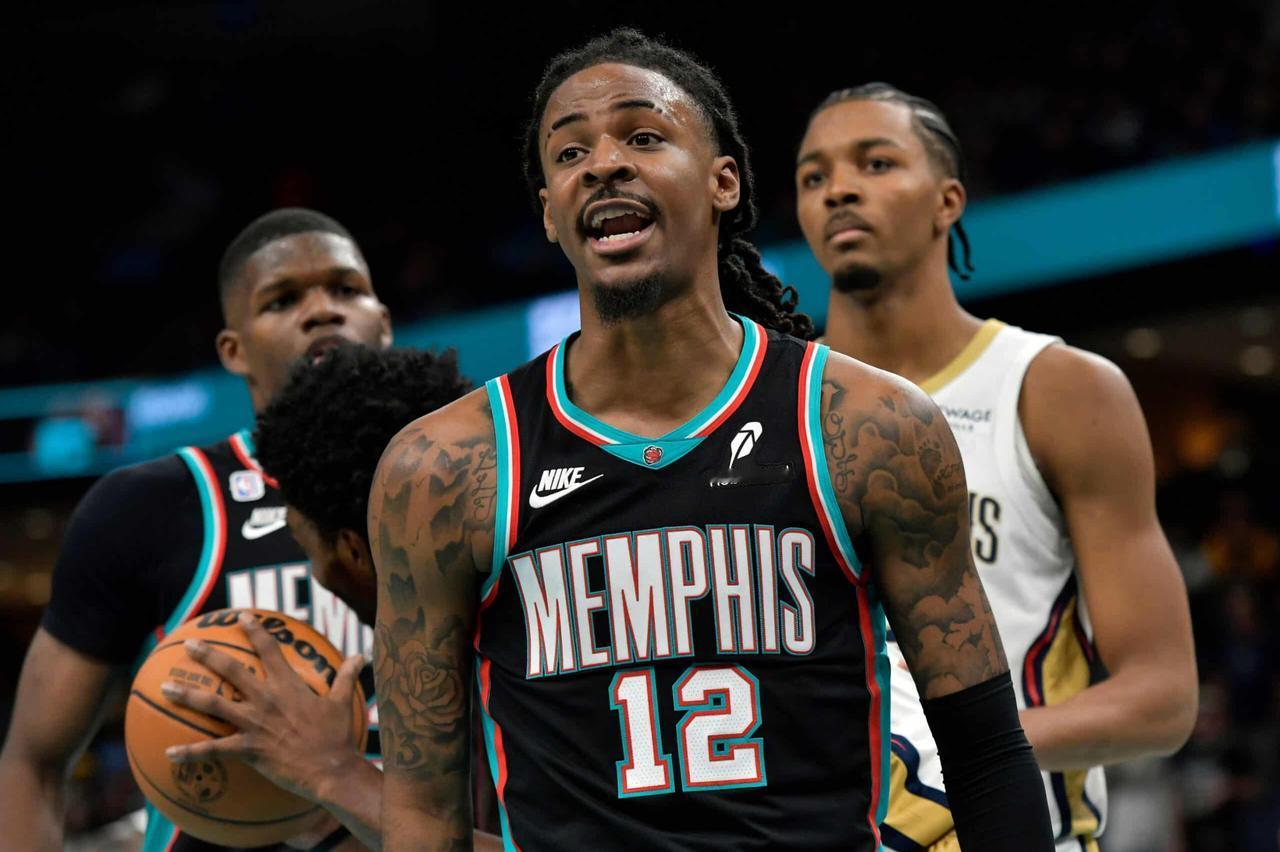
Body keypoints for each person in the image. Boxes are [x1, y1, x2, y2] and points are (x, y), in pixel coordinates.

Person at [370, 30, 1053, 852]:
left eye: (643, 135)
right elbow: (423, 811)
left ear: (723, 181)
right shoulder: (445, 467)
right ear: (550, 213)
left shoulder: (869, 426)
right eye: (571, 152)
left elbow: (986, 753)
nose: (603, 164)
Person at [793, 83, 1198, 851]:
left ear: (948, 201)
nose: (838, 189)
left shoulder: (1058, 389)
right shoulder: (773, 405)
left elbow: (1163, 697)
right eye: (814, 177)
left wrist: (952, 752)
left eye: (875, 163)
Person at [0, 208, 392, 852]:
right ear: (234, 350)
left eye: (346, 289)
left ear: (384, 322)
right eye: (283, 299)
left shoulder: (473, 484)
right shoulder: (151, 505)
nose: (322, 311)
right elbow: (32, 763)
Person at [162, 342, 502, 852]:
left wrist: (335, 774)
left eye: (306, 547)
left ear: (354, 550)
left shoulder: (529, 653)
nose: (318, 574)